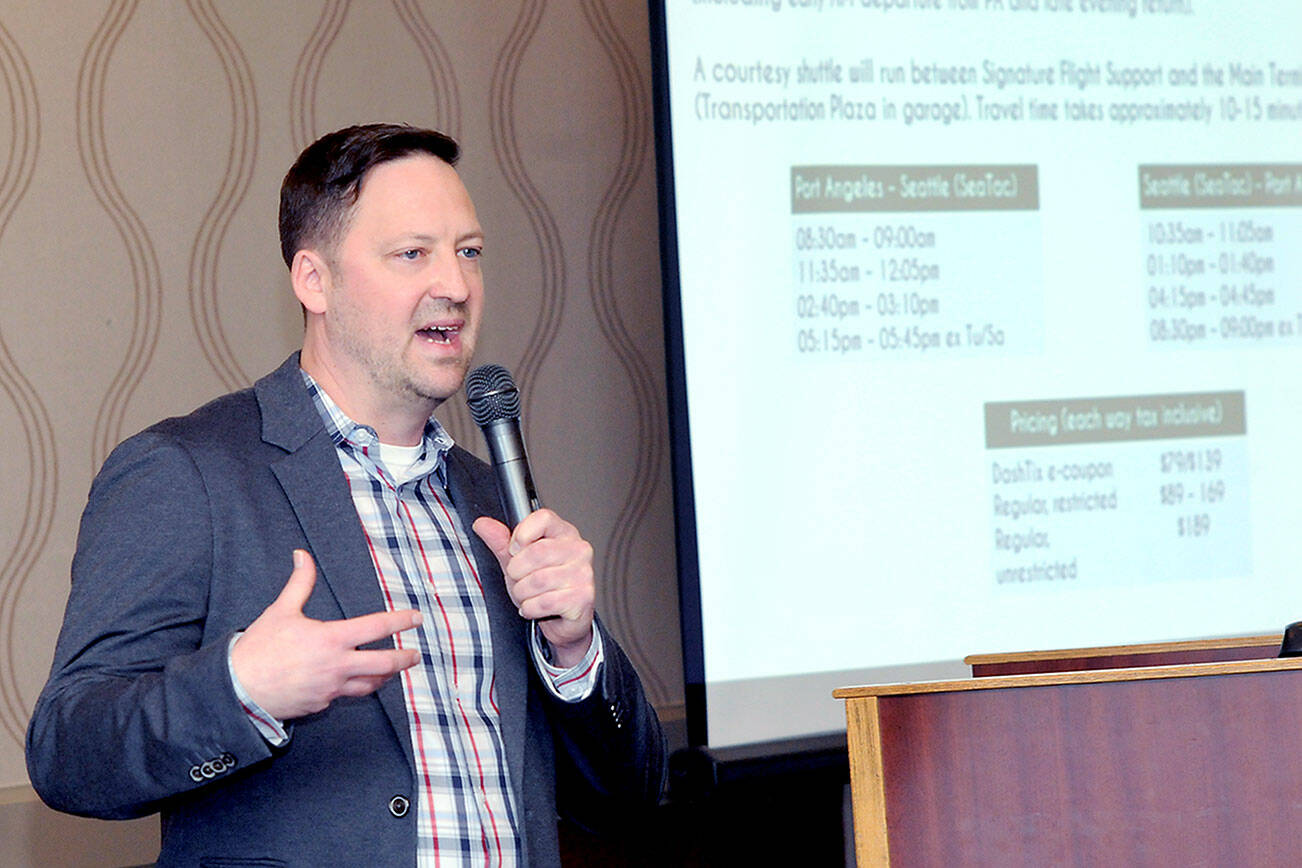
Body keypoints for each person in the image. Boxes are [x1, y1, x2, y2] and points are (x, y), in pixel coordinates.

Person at [25, 123, 665, 867]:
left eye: (469, 253)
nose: (455, 286)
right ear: (313, 280)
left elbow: (628, 796)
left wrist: (574, 647)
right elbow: (68, 753)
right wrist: (240, 687)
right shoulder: (187, 473)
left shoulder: (491, 497)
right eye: (412, 254)